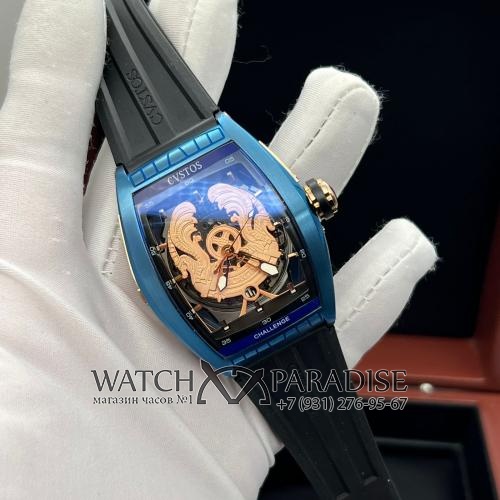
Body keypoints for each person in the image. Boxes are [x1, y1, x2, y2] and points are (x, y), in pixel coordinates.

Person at [0, 0, 437, 498]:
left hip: (266, 315)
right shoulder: (185, 245)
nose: (226, 240)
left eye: (229, 235)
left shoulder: (232, 227)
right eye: (217, 240)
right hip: (256, 314)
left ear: (309, 203)